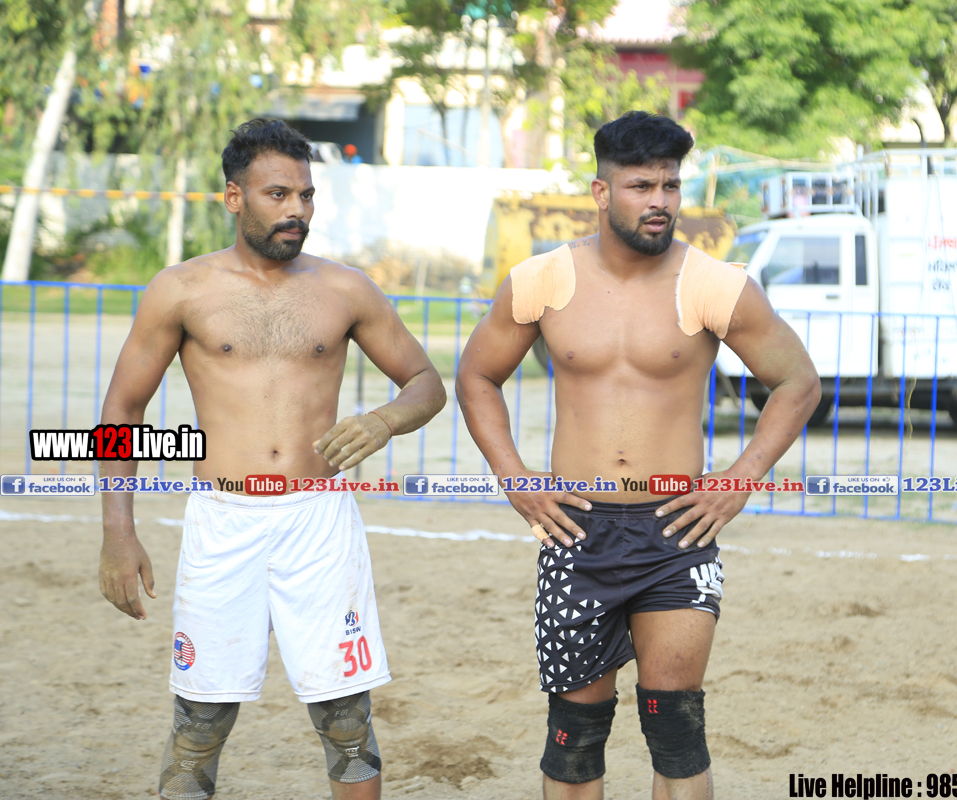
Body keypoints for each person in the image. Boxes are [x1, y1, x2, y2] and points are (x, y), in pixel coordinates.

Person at [456, 111, 821, 800]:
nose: (660, 201)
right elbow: (476, 376)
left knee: (677, 730)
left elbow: (797, 381)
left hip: (676, 531)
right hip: (576, 530)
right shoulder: (541, 280)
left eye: (670, 185)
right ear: (601, 192)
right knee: (574, 736)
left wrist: (740, 479)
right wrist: (515, 478)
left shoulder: (715, 284)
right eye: (641, 186)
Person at [97, 118, 446, 800]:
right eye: (278, 194)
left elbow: (426, 383)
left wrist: (384, 421)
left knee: (347, 722)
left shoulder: (345, 289)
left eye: (306, 195)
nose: (297, 211)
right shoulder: (181, 289)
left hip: (319, 520)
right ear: (235, 197)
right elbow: (122, 411)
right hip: (223, 520)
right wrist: (117, 531)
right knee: (200, 722)